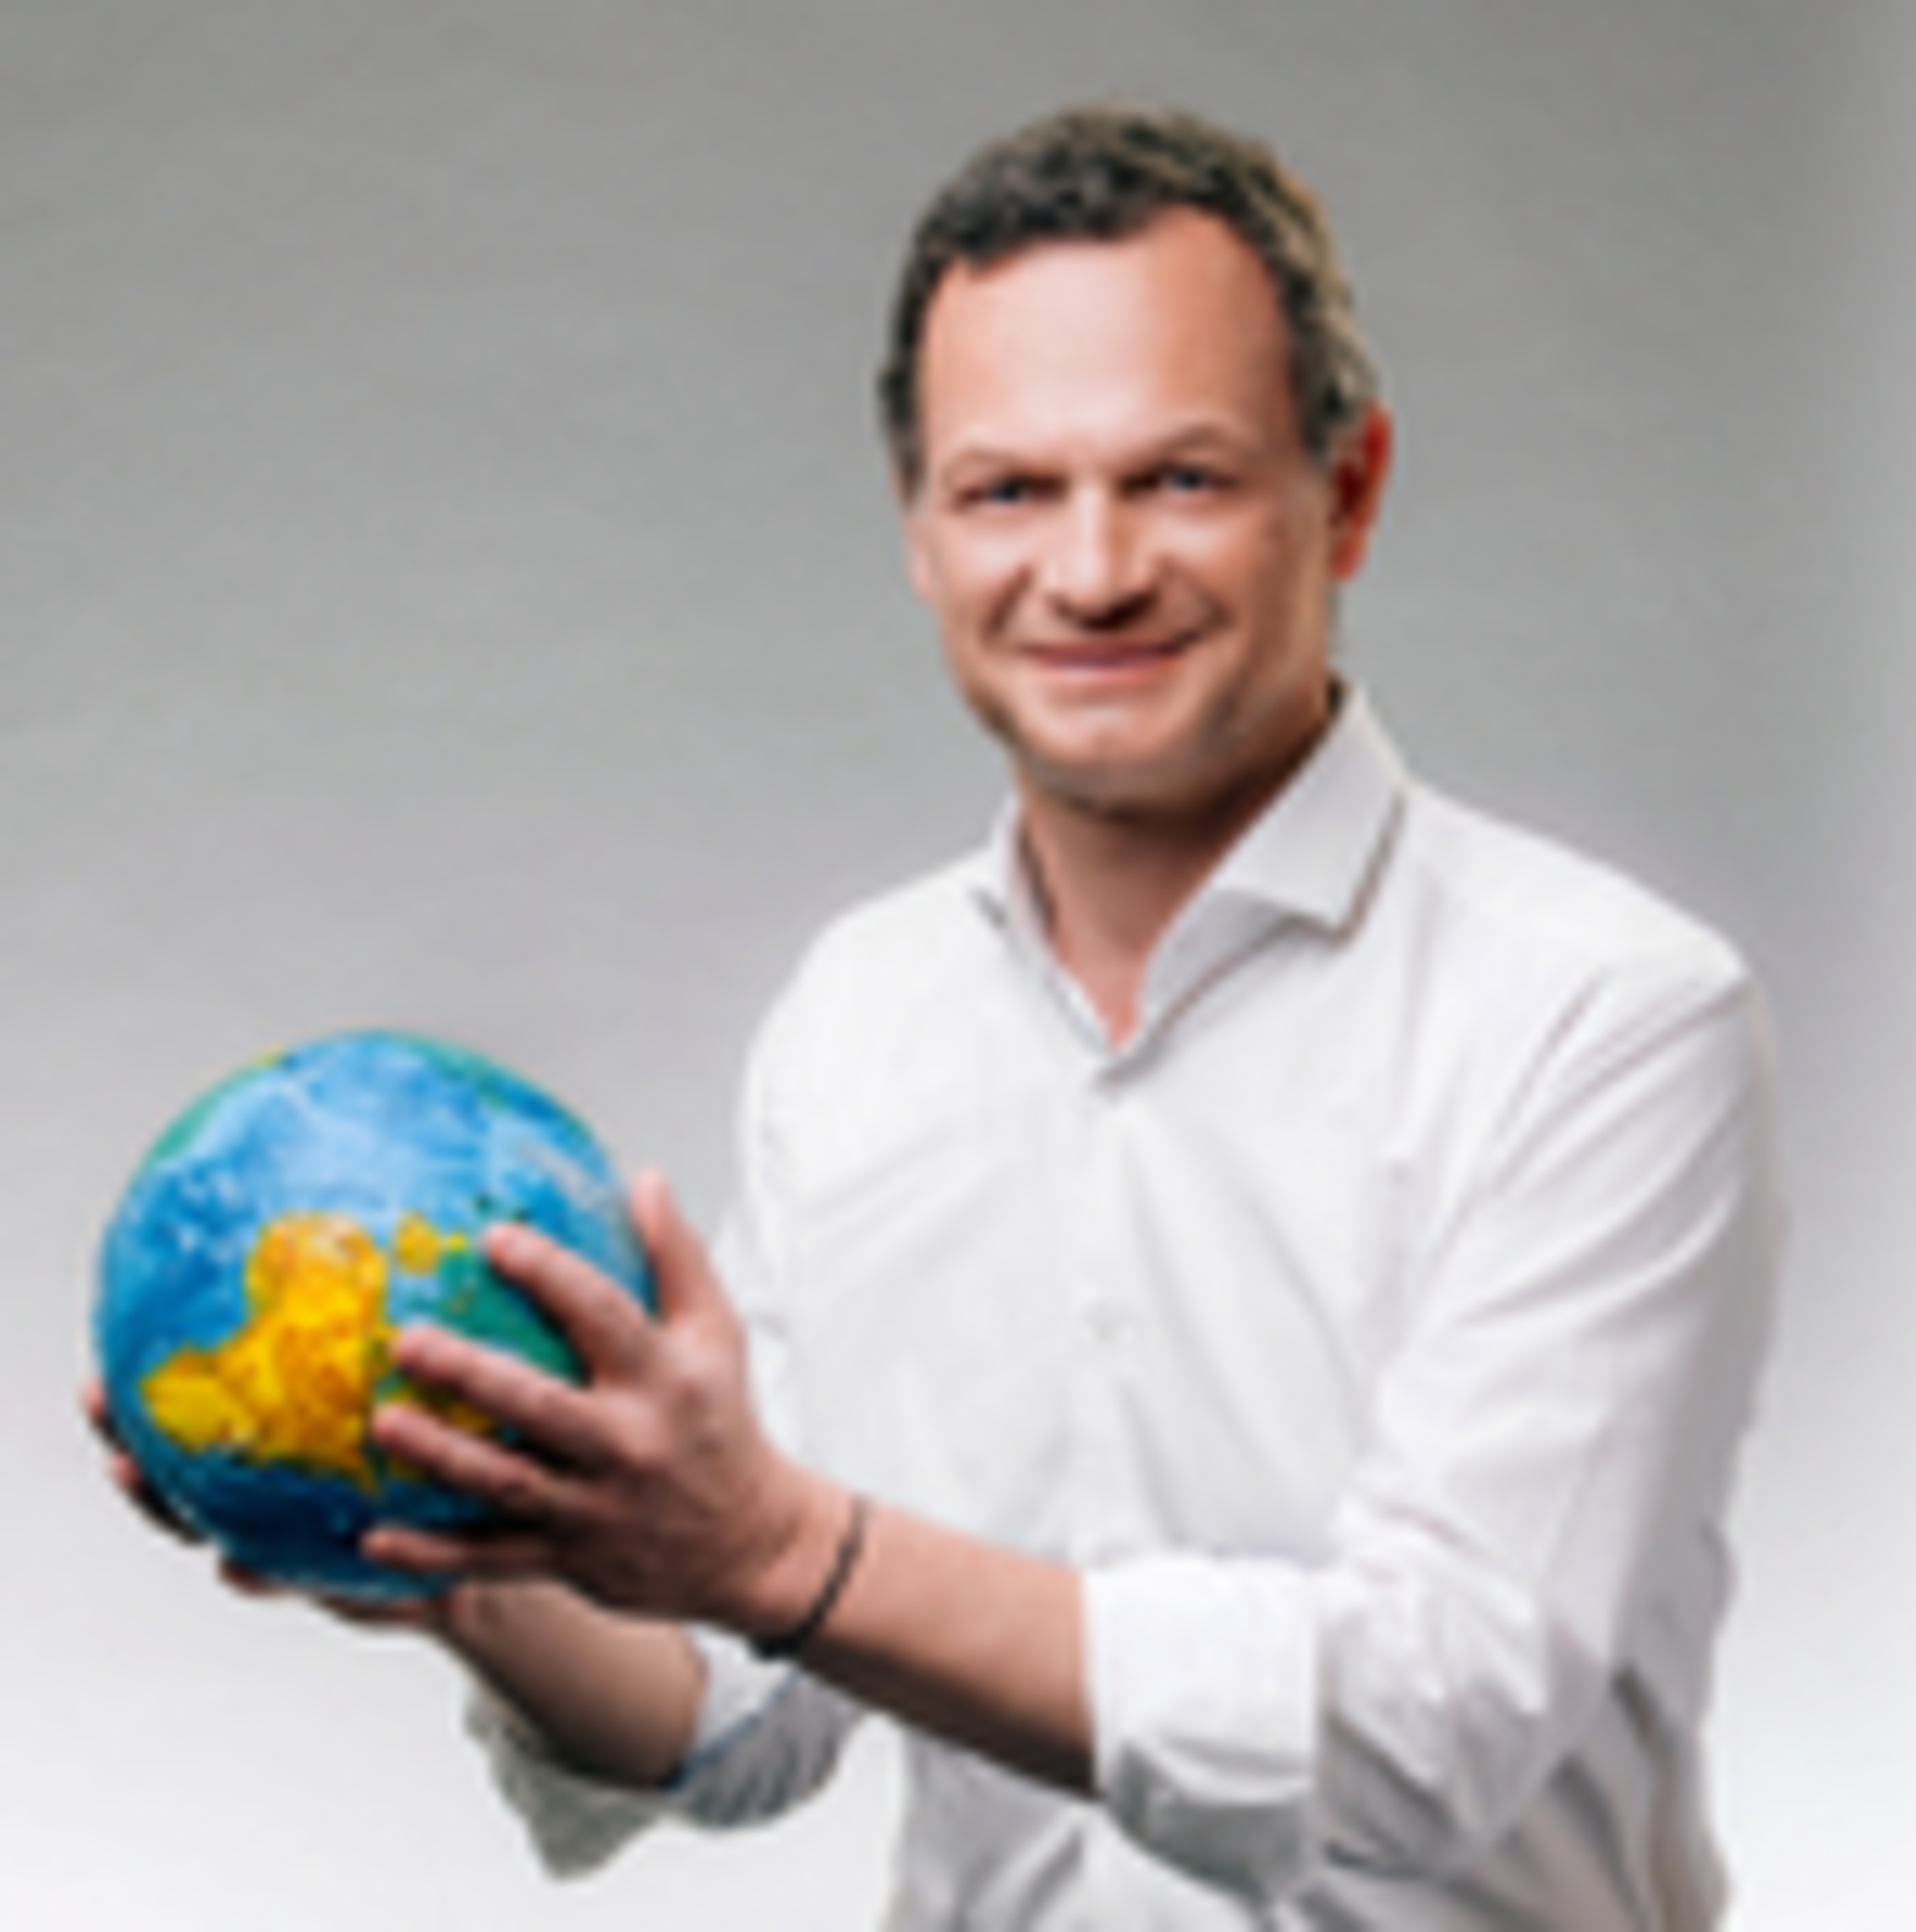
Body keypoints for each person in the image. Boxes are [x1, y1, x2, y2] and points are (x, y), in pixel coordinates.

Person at [98, 104, 1783, 1928]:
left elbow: (1424, 1722)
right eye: (1006, 492)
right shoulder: (858, 1017)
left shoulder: (1611, 1020)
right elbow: (748, 1709)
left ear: (1350, 490)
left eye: (1181, 478)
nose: (1091, 570)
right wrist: (475, 1561)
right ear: (917, 530)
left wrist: (774, 1543)